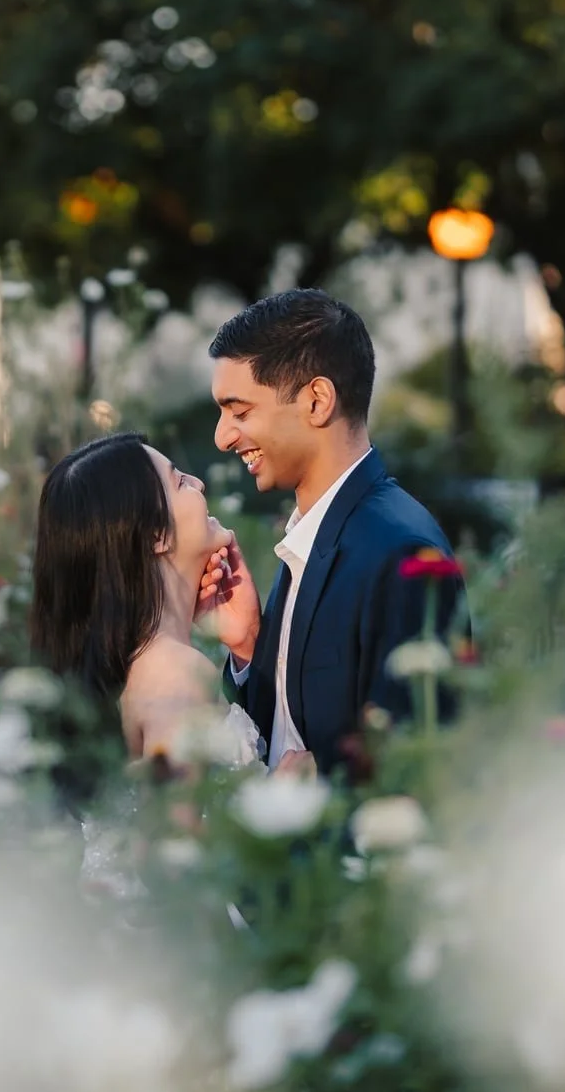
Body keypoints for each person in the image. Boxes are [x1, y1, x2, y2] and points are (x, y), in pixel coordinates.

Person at [198, 288, 468, 778]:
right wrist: (248, 648)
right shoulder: (316, 528)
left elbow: (421, 751)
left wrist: (322, 776)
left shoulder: (398, 549)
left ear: (317, 401)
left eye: (239, 412)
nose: (222, 437)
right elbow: (284, 730)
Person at [29, 432, 267, 771]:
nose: (199, 484)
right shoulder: (176, 673)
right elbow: (179, 822)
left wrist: (246, 642)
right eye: (180, 481)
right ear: (157, 533)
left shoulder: (138, 670)